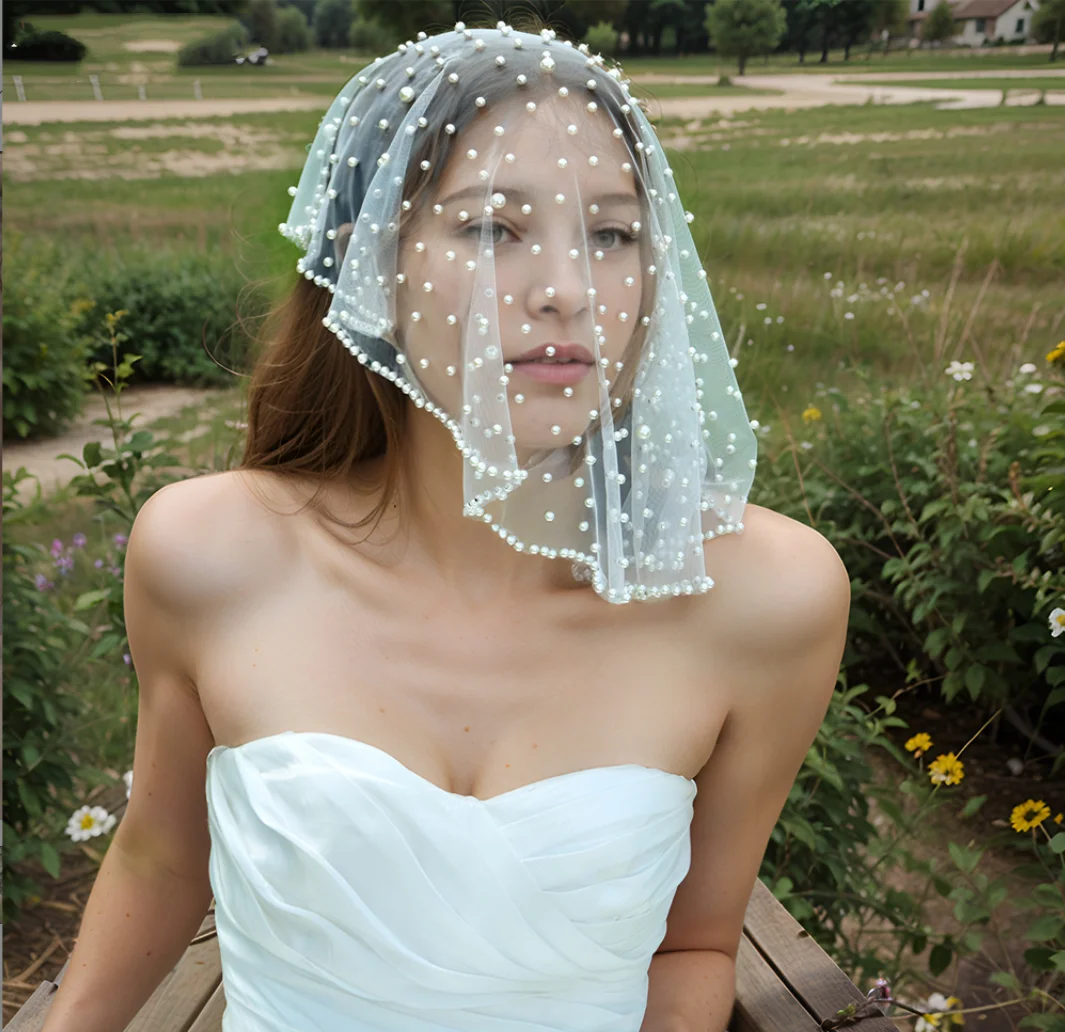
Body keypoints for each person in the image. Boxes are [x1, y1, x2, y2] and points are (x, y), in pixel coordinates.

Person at [42, 22, 850, 1032]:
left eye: (610, 233)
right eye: (491, 228)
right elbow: (162, 856)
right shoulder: (208, 557)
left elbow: (695, 945)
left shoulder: (768, 599)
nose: (567, 292)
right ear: (362, 257)